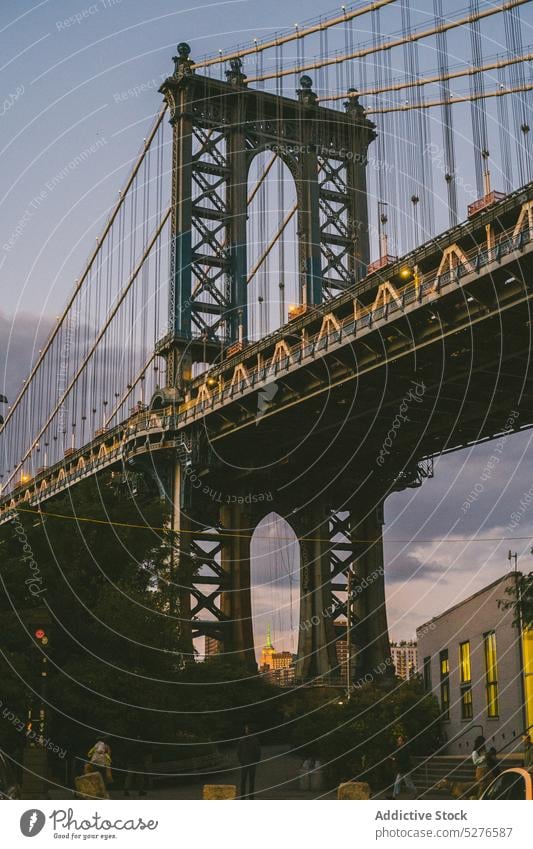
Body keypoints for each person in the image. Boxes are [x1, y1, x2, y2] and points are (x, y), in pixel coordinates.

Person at [237, 725, 261, 799]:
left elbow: (258, 751)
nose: (246, 730)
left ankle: (246, 797)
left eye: (246, 729)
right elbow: (239, 752)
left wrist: (241, 760)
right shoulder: (245, 740)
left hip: (248, 762)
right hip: (248, 762)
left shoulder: (252, 740)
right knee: (248, 781)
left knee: (247, 781)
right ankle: (248, 797)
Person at [392, 734, 416, 799]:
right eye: (398, 740)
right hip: (401, 770)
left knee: (409, 784)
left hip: (405, 770)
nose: (398, 741)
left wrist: (395, 759)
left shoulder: (405, 749)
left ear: (403, 742)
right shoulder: (400, 748)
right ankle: (394, 796)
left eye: (400, 740)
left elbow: (403, 758)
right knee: (397, 783)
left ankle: (416, 795)